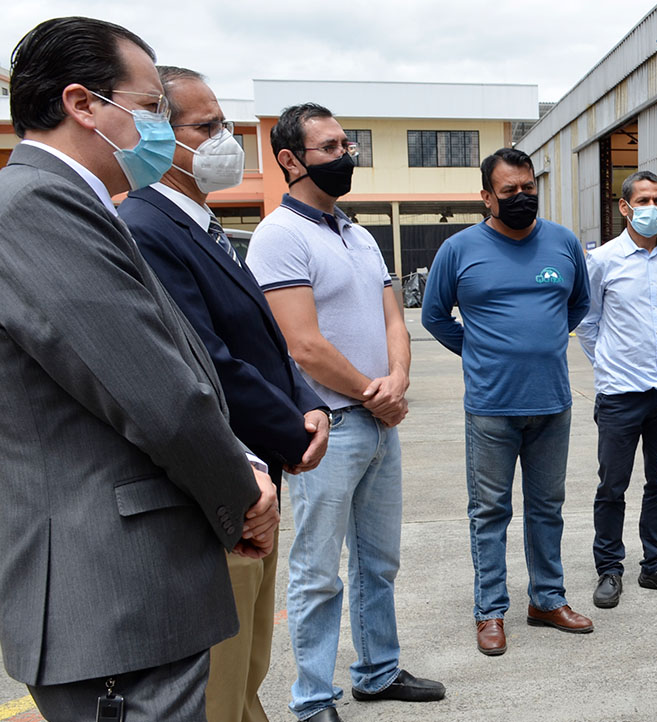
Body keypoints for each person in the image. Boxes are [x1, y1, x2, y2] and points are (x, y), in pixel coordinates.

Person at [0, 17, 278, 721]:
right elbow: (159, 398)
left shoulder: (74, 205)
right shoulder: (38, 209)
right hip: (114, 601)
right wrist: (242, 495)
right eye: (149, 109)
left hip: (129, 597)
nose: (163, 131)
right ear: (83, 104)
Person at [118, 66, 332, 722]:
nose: (224, 140)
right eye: (205, 128)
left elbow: (261, 336)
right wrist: (293, 434)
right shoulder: (148, 229)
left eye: (226, 126)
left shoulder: (203, 226)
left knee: (248, 672)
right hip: (220, 492)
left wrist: (306, 399)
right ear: (159, 135)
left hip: (257, 481)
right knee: (220, 684)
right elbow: (208, 361)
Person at [245, 103, 443, 722]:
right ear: (290, 159)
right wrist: (370, 391)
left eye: (347, 145)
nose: (345, 155)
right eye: (329, 147)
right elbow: (302, 344)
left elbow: (392, 318)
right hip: (326, 429)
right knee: (316, 571)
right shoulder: (280, 235)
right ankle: (310, 699)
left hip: (379, 422)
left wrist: (399, 379)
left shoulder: (357, 234)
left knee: (378, 562)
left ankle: (378, 671)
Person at [422, 147, 592, 656]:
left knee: (547, 508)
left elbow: (579, 303)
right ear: (486, 196)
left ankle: (546, 599)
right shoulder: (459, 249)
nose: (522, 197)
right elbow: (434, 316)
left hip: (552, 404)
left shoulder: (562, 243)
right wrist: (480, 354)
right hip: (491, 407)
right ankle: (490, 610)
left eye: (529, 188)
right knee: (490, 512)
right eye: (509, 191)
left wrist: (540, 344)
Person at [575, 170, 657, 608]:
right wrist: (607, 365)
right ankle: (610, 568)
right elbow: (586, 320)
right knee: (612, 485)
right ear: (624, 207)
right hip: (621, 394)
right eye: (644, 201)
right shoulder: (602, 260)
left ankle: (655, 564)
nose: (652, 208)